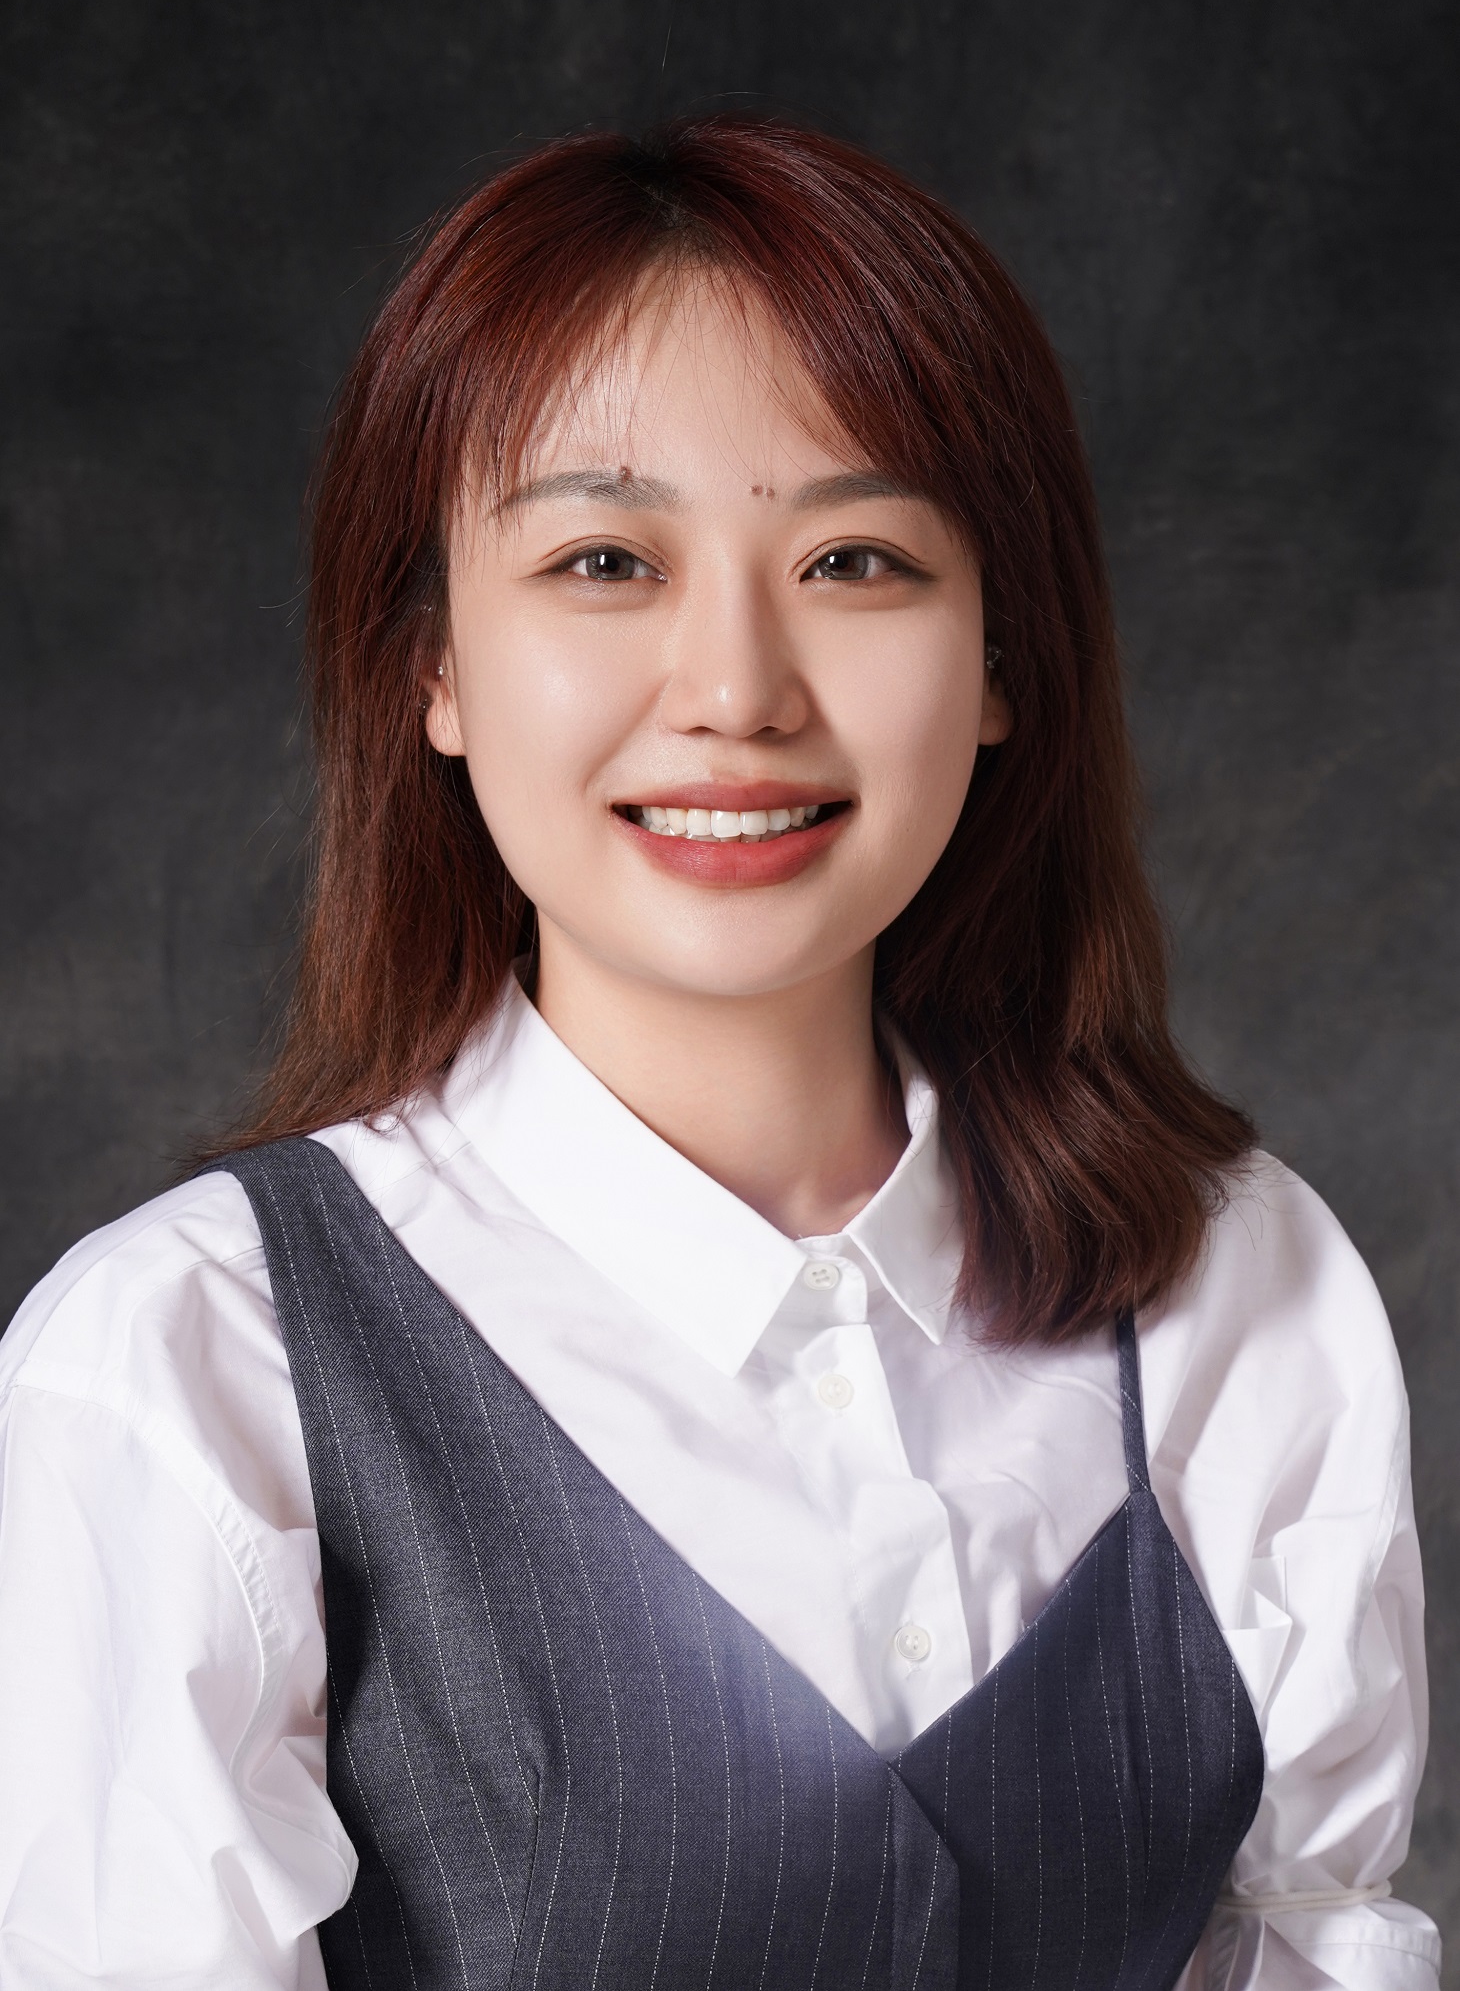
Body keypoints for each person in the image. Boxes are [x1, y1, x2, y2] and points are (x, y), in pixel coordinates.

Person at [0, 116, 1437, 1991]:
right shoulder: (190, 1367)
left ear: (1006, 663)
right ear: (432, 665)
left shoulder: (1236, 1286)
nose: (739, 692)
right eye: (605, 559)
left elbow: (1315, 1937)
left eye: (855, 558)